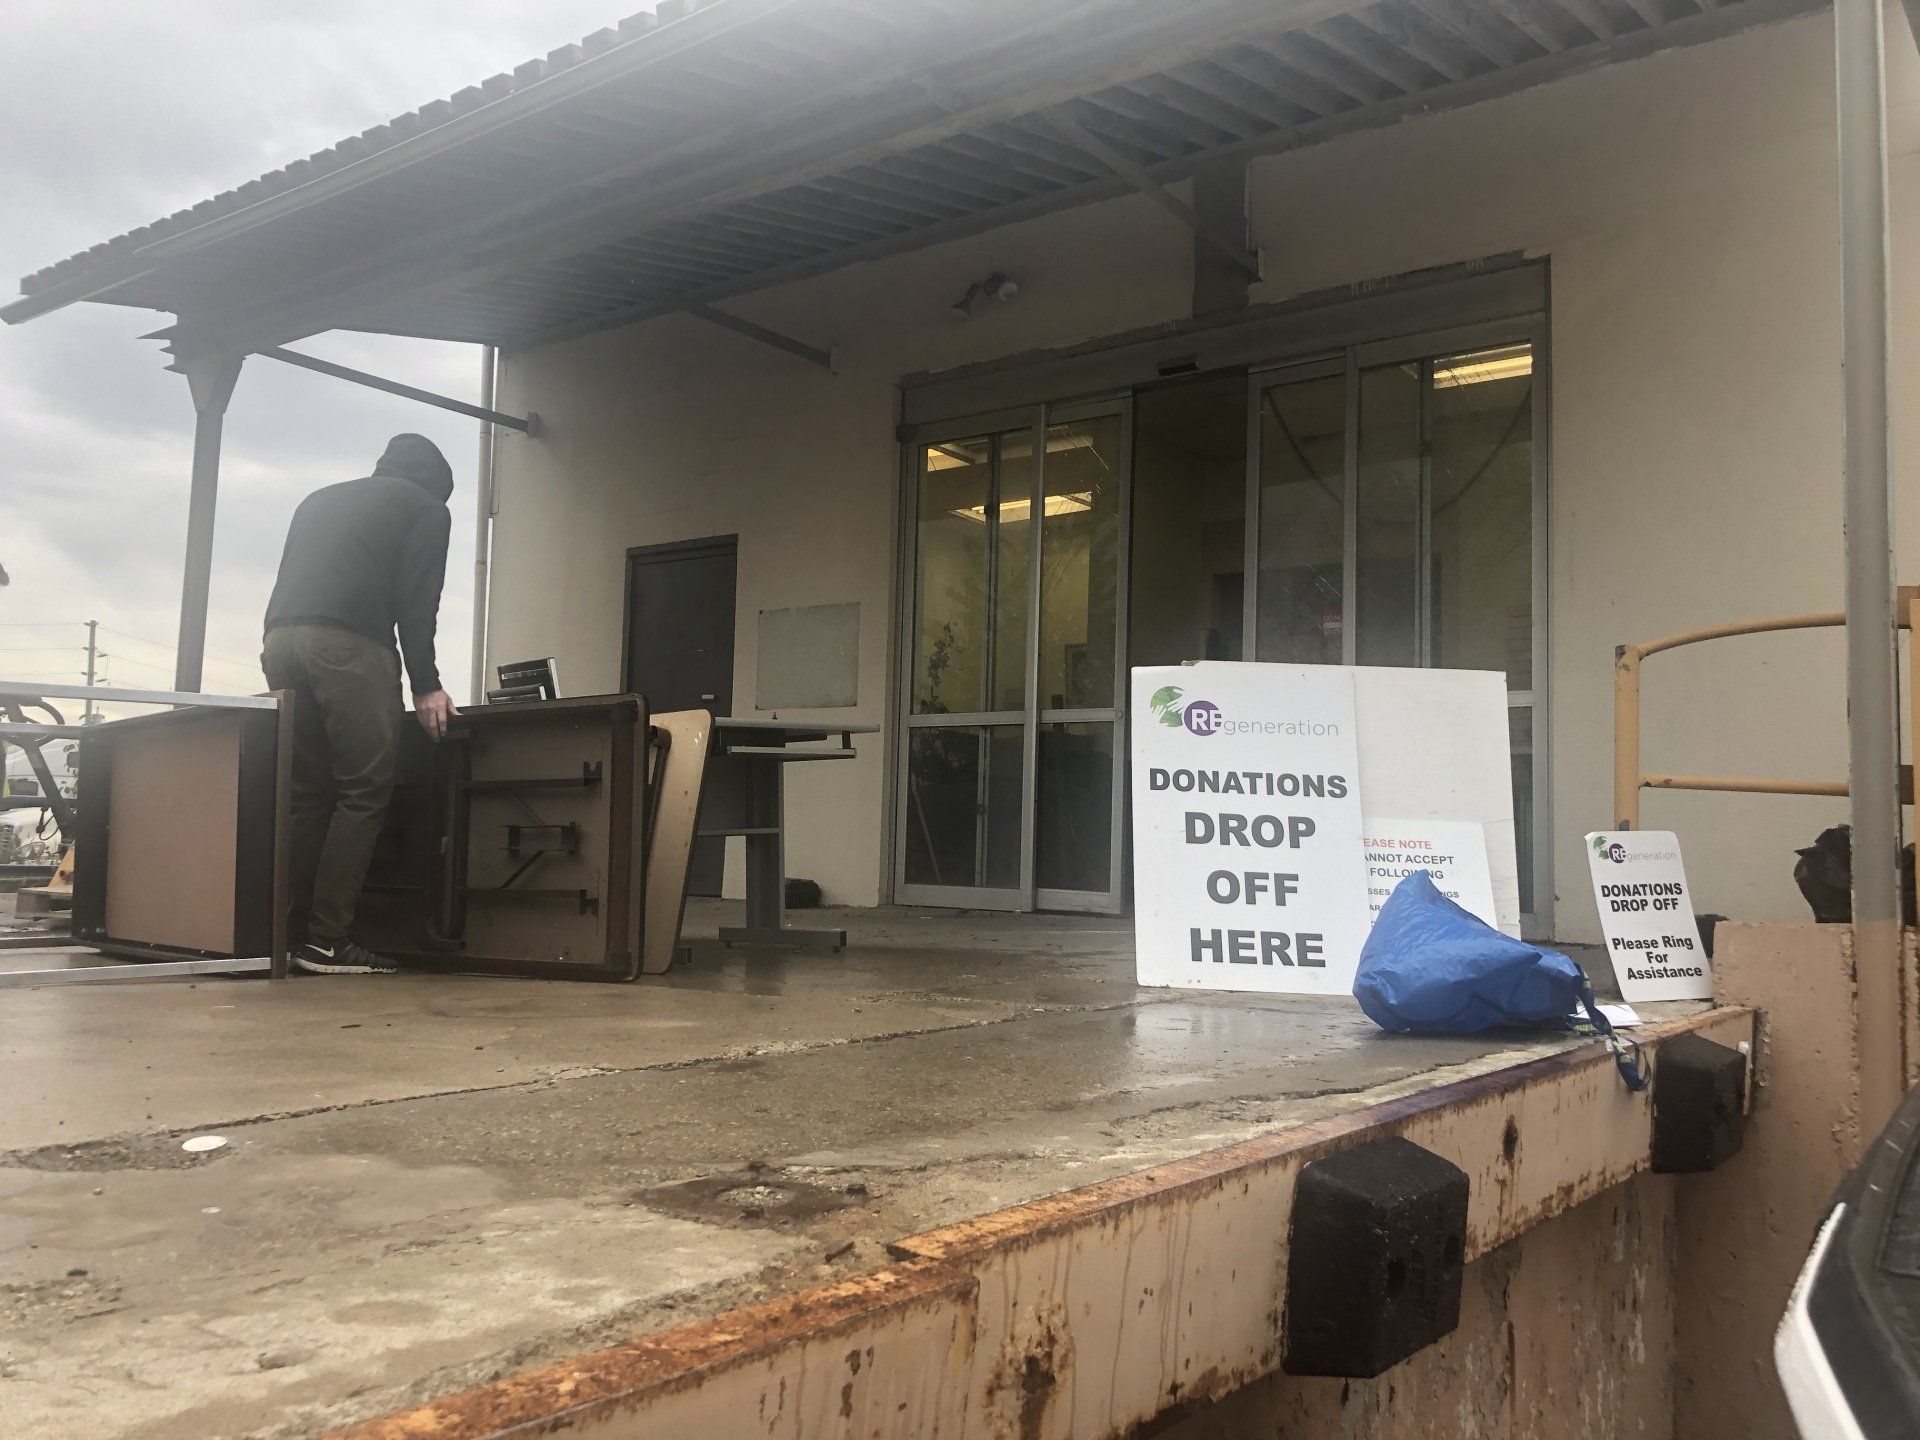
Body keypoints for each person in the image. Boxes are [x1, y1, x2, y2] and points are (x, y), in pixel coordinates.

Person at [262, 433, 460, 974]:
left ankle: (284, 935)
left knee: (307, 794)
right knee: (364, 789)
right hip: (349, 648)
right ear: (438, 486)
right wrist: (427, 684)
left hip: (280, 642)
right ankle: (327, 942)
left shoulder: (318, 499)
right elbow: (418, 601)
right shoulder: (425, 508)